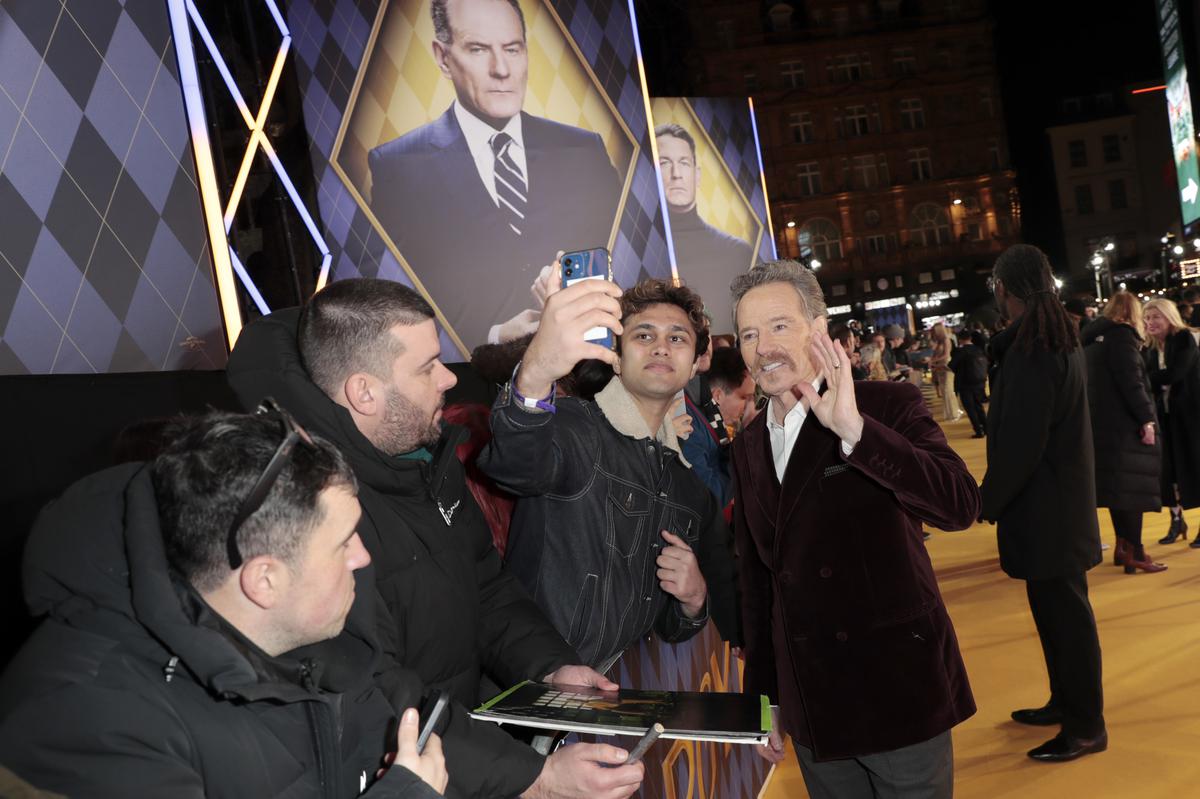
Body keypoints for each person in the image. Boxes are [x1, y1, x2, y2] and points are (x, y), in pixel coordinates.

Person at [226, 279, 645, 799]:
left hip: (462, 758)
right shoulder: (305, 508)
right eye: (427, 367)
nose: (449, 378)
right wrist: (534, 779)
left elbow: (486, 587)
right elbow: (373, 691)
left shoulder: (424, 458)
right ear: (364, 391)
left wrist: (551, 667)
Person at [0, 410, 447, 797]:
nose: (363, 557)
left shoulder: (304, 631)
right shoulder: (87, 724)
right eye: (344, 542)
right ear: (264, 581)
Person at [730, 260, 979, 798]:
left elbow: (959, 506)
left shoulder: (886, 405)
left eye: (778, 326)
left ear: (818, 329)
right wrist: (765, 700)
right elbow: (760, 586)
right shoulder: (746, 447)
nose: (762, 346)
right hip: (814, 707)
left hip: (899, 694)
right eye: (749, 333)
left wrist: (856, 433)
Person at [478, 278, 741, 671]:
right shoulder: (574, 429)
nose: (661, 347)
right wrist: (535, 376)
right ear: (615, 357)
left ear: (692, 367)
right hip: (530, 688)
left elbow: (669, 626)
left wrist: (694, 600)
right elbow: (515, 465)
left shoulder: (687, 490)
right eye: (644, 334)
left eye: (678, 339)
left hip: (603, 698)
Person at [368, 0, 622, 349]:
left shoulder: (584, 149)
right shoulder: (397, 165)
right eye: (478, 49)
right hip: (473, 378)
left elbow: (621, 261)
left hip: (587, 366)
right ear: (443, 57)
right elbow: (395, 302)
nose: (501, 69)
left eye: (513, 49)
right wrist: (494, 337)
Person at [979, 244, 1107, 762]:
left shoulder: (1035, 348)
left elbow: (1021, 440)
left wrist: (987, 498)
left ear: (1004, 289)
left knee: (1067, 621)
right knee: (1057, 616)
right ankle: (1067, 703)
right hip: (1055, 505)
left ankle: (1086, 726)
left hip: (1047, 509)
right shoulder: (1052, 339)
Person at [1082, 292, 1165, 573]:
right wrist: (1147, 419)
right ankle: (1136, 552)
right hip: (1126, 426)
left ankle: (1123, 548)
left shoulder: (1093, 340)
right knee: (1134, 492)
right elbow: (1132, 383)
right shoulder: (1122, 338)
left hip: (1102, 426)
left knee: (1118, 492)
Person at [656, 123, 756, 324]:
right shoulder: (639, 251)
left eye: (684, 163)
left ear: (697, 174)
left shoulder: (737, 251)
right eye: (665, 162)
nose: (676, 173)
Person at [1143, 298, 1200, 547]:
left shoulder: (1184, 339)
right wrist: (1155, 379)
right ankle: (1177, 520)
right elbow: (1148, 379)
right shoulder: (1151, 348)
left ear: (1169, 317)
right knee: (1170, 473)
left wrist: (1152, 379)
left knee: (1196, 468)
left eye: (1156, 316)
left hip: (1191, 416)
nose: (1150, 322)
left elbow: (1176, 374)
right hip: (1165, 417)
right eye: (1147, 318)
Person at [949, 330, 989, 438]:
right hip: (979, 382)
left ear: (960, 339)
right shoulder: (978, 349)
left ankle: (978, 431)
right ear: (970, 338)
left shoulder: (960, 351)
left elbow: (951, 365)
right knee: (979, 406)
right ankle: (987, 428)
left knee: (970, 408)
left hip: (965, 383)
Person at [929, 323, 961, 421]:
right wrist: (932, 361)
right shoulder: (939, 342)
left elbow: (946, 355)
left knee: (948, 390)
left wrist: (932, 361)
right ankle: (949, 414)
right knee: (944, 390)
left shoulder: (946, 340)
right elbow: (936, 355)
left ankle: (954, 413)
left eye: (934, 331)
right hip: (939, 367)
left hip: (946, 366)